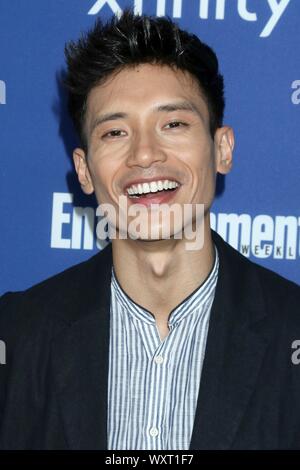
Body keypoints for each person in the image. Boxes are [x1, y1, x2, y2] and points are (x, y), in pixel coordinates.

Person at [0, 9, 300, 451]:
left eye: (173, 124)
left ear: (222, 149)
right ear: (84, 171)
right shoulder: (16, 337)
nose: (144, 154)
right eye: (116, 132)